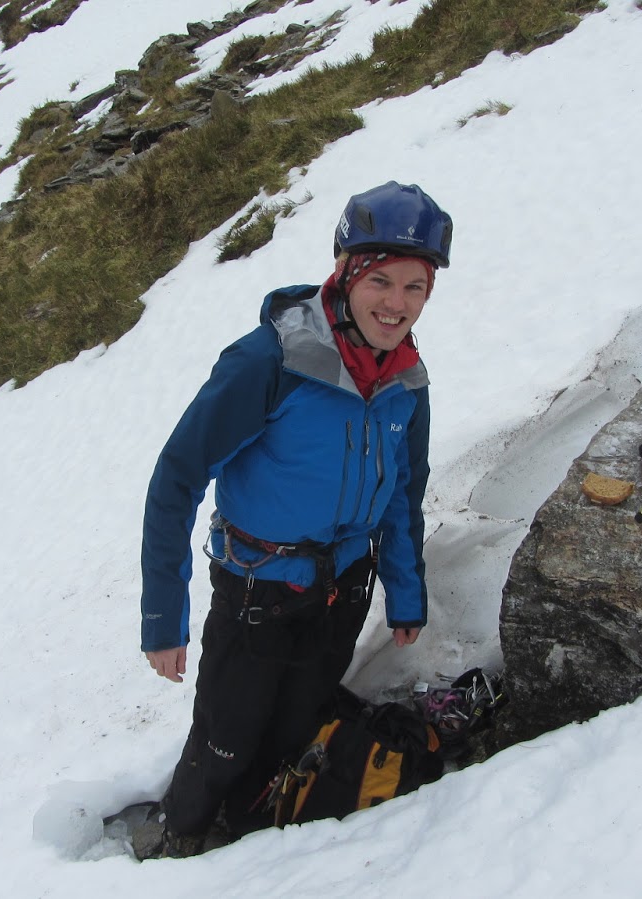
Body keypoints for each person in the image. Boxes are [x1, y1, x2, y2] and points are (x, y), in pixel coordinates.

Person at [139, 181, 451, 858]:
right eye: (381, 282)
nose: (397, 304)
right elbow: (177, 477)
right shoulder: (270, 361)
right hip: (259, 588)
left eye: (416, 287)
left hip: (343, 587)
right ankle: (180, 838)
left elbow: (403, 491)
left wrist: (405, 589)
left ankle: (251, 845)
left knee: (292, 726)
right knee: (226, 734)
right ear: (343, 272)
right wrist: (163, 616)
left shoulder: (407, 379)